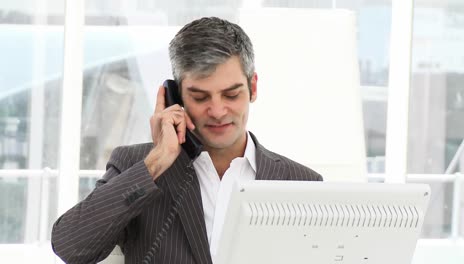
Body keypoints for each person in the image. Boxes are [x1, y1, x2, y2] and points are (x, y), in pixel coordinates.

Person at [51, 16, 322, 264]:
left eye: (231, 95)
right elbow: (71, 247)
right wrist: (157, 163)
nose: (217, 111)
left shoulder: (303, 182)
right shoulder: (137, 165)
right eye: (200, 97)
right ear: (177, 97)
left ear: (252, 88)